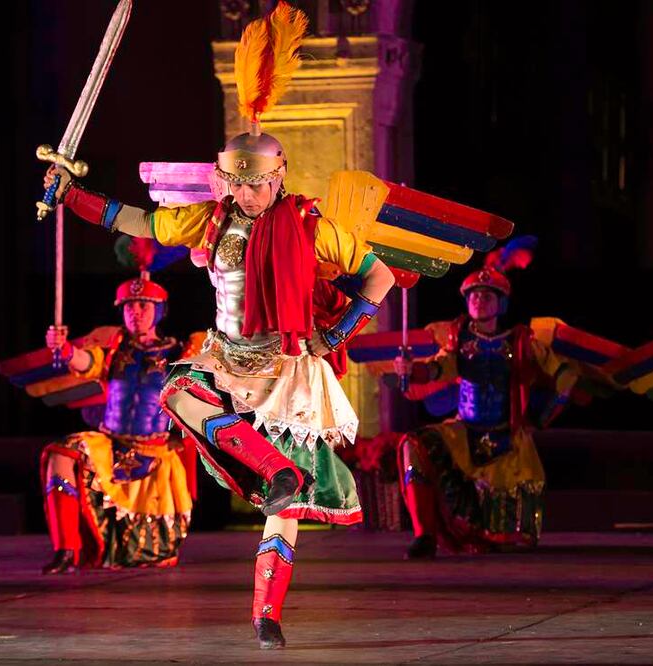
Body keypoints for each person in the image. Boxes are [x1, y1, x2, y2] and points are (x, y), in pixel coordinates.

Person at [40, 2, 395, 648]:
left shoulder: (311, 225)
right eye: (234, 184)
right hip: (229, 359)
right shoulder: (209, 218)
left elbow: (381, 279)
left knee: (281, 513)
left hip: (288, 370)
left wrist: (335, 334)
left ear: (277, 177)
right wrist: (74, 198)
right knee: (177, 391)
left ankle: (266, 616)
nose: (243, 196)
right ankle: (271, 468)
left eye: (253, 186)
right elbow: (141, 222)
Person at [393, 238, 579, 559]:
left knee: (506, 536)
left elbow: (566, 376)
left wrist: (543, 417)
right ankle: (425, 536)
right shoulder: (459, 341)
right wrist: (410, 370)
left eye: (487, 295)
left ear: (501, 303)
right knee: (414, 445)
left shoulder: (521, 342)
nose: (479, 300)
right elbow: (438, 368)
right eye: (474, 295)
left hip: (508, 437)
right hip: (465, 432)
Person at [41, 274, 193, 573]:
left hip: (155, 451)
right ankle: (66, 549)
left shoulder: (180, 354)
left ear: (159, 311)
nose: (135, 312)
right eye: (129, 307)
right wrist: (66, 349)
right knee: (60, 454)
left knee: (150, 552)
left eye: (143, 306)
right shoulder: (115, 348)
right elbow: (87, 362)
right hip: (110, 444)